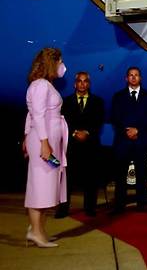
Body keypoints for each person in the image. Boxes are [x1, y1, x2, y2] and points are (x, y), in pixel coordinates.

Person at [23, 47, 68, 248]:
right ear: (52, 62)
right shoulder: (41, 85)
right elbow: (38, 115)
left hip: (48, 142)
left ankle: (38, 231)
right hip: (45, 144)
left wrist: (27, 137)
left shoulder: (45, 85)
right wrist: (44, 143)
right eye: (59, 62)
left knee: (48, 187)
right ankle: (36, 233)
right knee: (39, 188)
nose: (62, 66)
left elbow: (30, 115)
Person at [55, 71, 104, 218]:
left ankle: (90, 208)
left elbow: (98, 121)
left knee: (91, 178)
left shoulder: (98, 102)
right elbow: (62, 121)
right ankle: (63, 209)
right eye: (79, 81)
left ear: (89, 84)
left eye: (85, 81)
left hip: (91, 146)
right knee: (67, 179)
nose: (82, 84)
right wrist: (74, 133)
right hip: (71, 146)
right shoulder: (66, 102)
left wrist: (87, 132)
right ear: (74, 84)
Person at [110, 66, 147, 213]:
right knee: (120, 174)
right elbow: (115, 118)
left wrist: (138, 131)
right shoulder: (118, 96)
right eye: (130, 75)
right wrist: (127, 131)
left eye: (136, 75)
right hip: (123, 141)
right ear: (126, 78)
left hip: (141, 140)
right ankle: (119, 204)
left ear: (140, 78)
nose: (133, 77)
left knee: (142, 173)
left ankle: (142, 202)